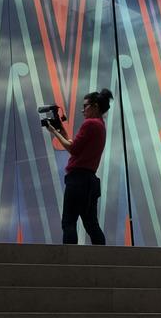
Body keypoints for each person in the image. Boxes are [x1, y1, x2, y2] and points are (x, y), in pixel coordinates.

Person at [46, 88, 112, 245]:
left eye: (85, 106)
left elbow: (73, 149)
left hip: (77, 180)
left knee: (69, 222)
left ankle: (71, 258)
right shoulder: (100, 126)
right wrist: (62, 131)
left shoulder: (89, 124)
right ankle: (104, 257)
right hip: (90, 181)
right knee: (91, 225)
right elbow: (76, 146)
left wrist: (54, 131)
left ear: (95, 106)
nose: (83, 110)